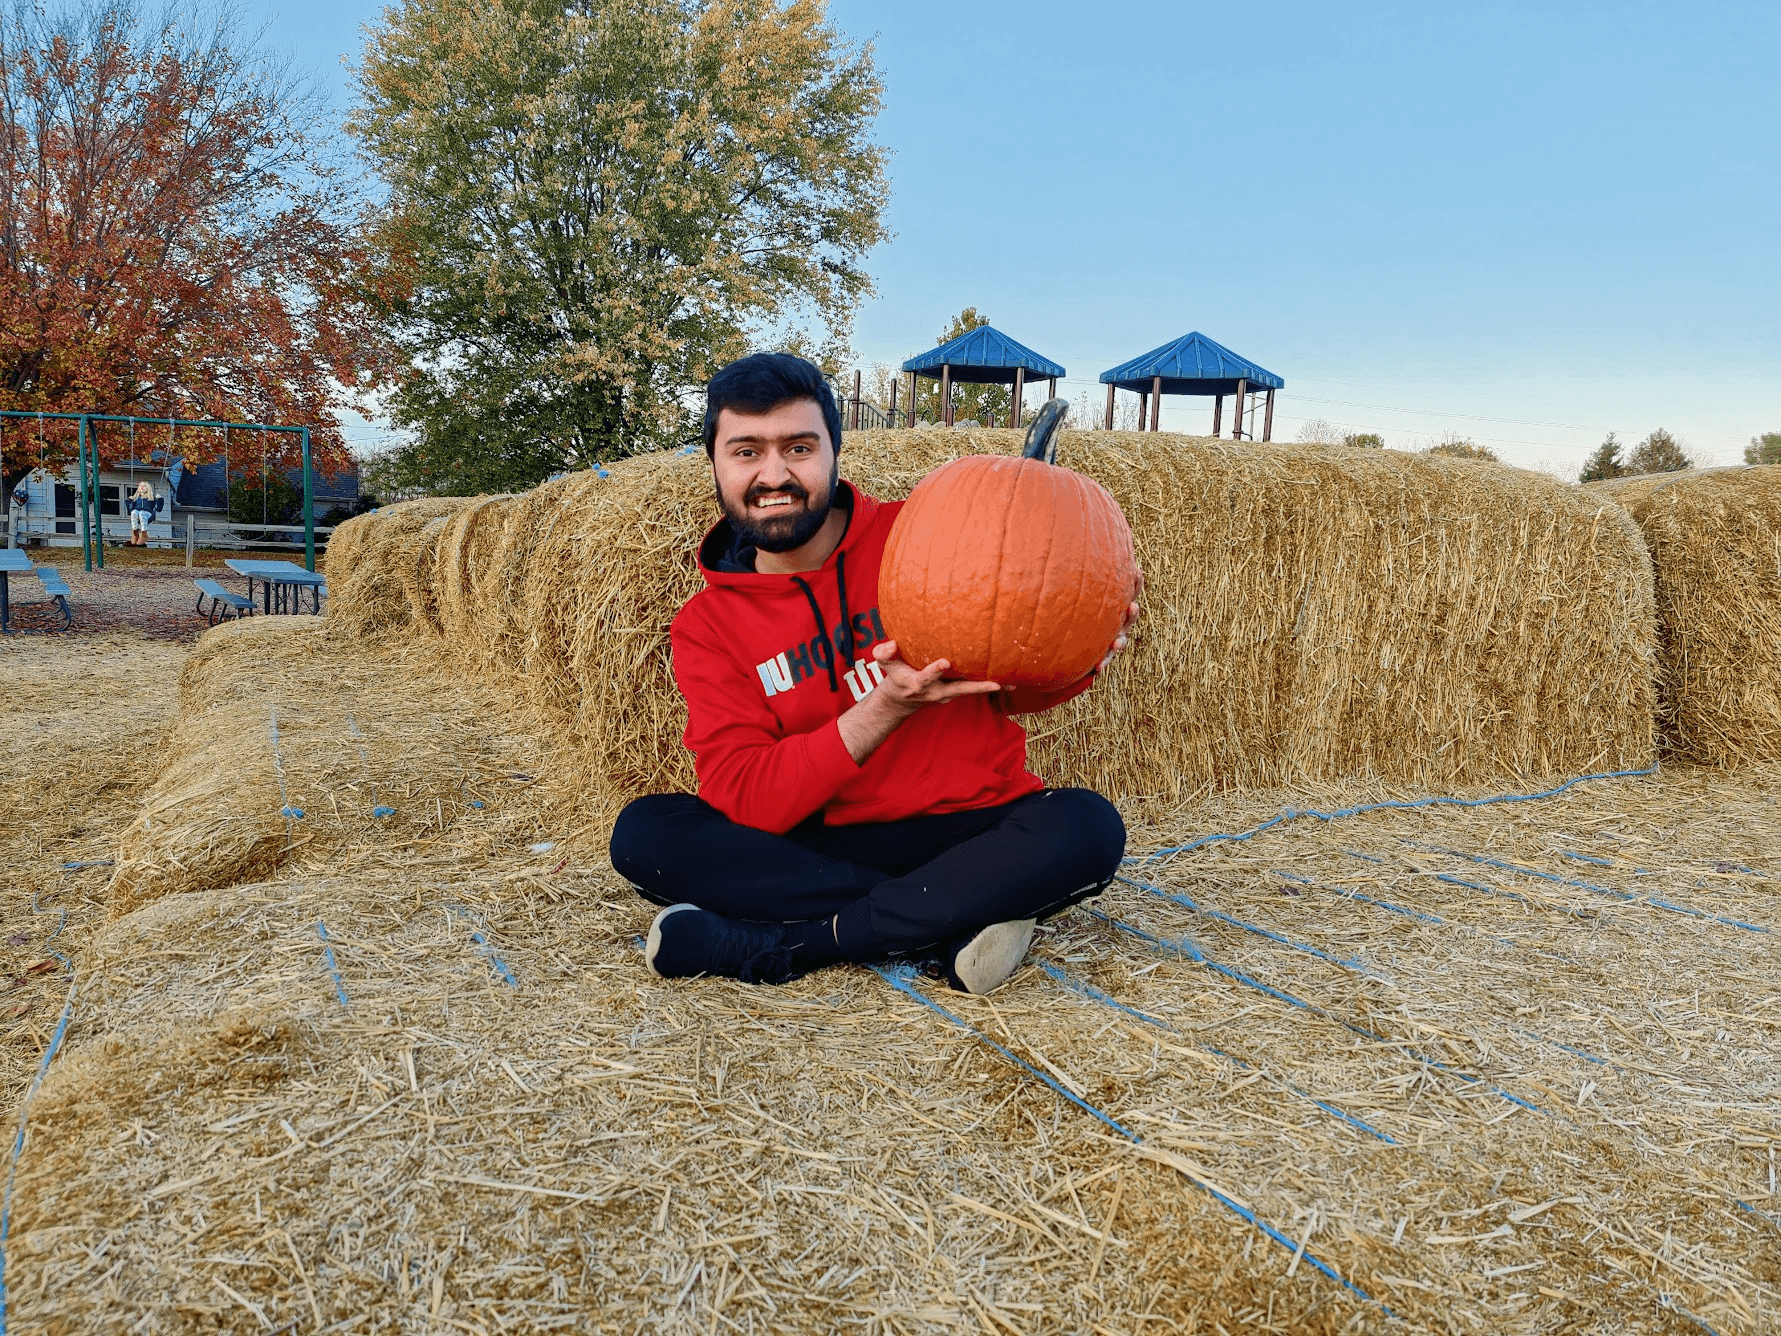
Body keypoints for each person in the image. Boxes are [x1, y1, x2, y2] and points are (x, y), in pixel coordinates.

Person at [610, 353, 1140, 994]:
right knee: (647, 834)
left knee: (1084, 827)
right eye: (746, 451)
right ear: (716, 464)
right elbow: (747, 801)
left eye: (799, 447)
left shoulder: (927, 533)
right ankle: (949, 915)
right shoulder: (708, 624)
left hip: (970, 826)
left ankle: (789, 943)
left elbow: (1008, 673)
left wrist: (1075, 655)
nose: (774, 474)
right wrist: (885, 706)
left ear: (834, 451)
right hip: (821, 846)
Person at [127, 481, 160, 547]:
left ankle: (144, 534)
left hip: (149, 515)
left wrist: (160, 499)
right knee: (134, 512)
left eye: (144, 486)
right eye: (140, 486)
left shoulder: (151, 498)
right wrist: (129, 501)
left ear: (148, 488)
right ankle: (135, 533)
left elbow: (158, 508)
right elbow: (129, 509)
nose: (142, 487)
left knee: (142, 513)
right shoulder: (136, 498)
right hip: (138, 515)